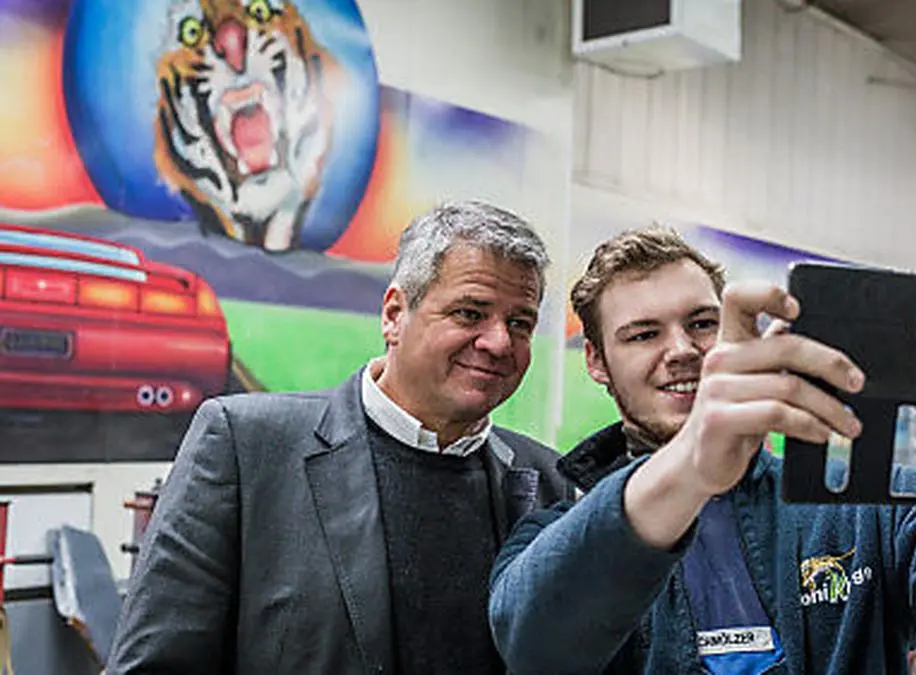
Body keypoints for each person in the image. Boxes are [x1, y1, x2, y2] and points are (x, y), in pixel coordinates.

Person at [489, 227, 916, 674]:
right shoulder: (559, 522)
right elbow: (535, 644)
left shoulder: (868, 505)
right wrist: (688, 466)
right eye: (642, 334)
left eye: (702, 323)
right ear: (597, 362)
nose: (681, 349)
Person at [108, 200, 573, 675]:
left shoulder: (548, 483)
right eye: (470, 313)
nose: (499, 342)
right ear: (394, 315)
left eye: (520, 323)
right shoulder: (246, 448)